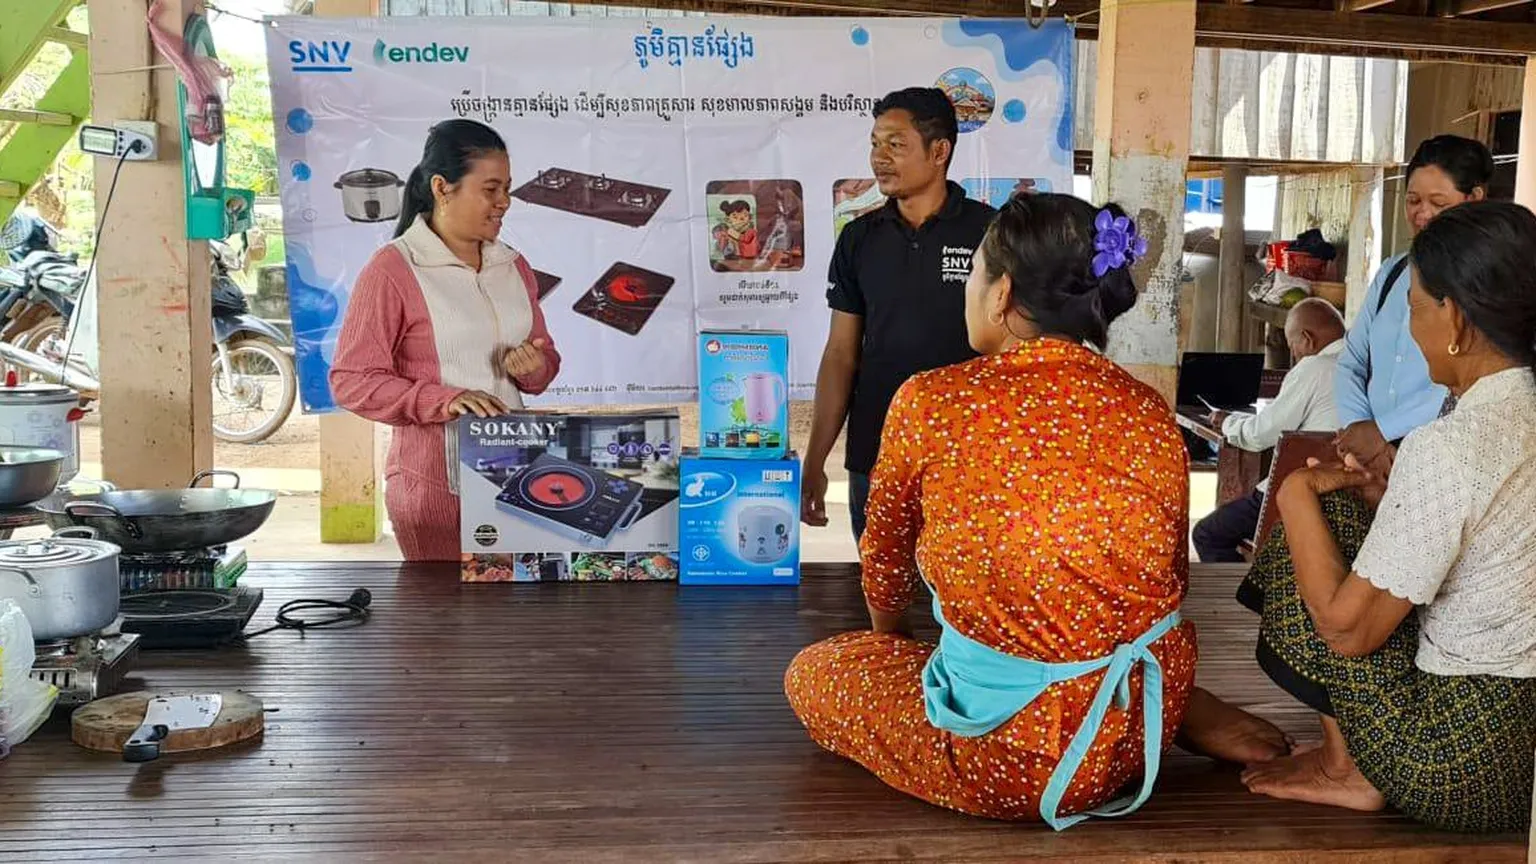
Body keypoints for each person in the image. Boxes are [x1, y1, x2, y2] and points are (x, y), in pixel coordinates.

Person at [784, 194, 1202, 826]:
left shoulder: (933, 399)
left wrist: (898, 651)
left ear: (1002, 293)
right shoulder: (1149, 411)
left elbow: (886, 566)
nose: (967, 291)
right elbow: (1171, 580)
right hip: (1137, 737)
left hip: (1015, 759)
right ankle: (1188, 709)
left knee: (814, 673)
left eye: (974, 273)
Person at [1206, 200, 1536, 832]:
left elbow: (1345, 631)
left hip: (1456, 765)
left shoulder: (1455, 442)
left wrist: (1298, 493)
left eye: (1414, 309)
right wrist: (1395, 500)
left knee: (1315, 531)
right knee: (1359, 527)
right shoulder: (1511, 411)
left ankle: (1346, 768)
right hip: (1530, 764)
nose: (1408, 332)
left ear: (1457, 320)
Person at [330, 119, 561, 561]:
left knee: (515, 623)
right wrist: (445, 399)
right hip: (435, 488)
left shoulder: (513, 265)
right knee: (442, 626)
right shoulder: (393, 270)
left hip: (515, 478)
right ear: (442, 187)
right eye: (490, 190)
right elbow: (351, 380)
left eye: (507, 189)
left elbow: (544, 360)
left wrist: (536, 368)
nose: (504, 203)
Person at [800, 87, 995, 541]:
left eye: (896, 144)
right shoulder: (859, 238)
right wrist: (815, 462)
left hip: (968, 461)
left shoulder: (991, 232)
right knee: (875, 598)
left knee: (961, 601)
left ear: (940, 151)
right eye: (874, 143)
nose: (879, 158)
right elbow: (840, 355)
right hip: (877, 455)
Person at [1334, 135, 1493, 475]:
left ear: (1475, 198)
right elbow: (1352, 361)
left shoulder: (1487, 281)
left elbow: (1475, 381)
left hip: (1440, 456)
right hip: (1367, 455)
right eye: (1413, 200)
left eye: (1439, 202)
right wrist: (1360, 428)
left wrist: (1383, 431)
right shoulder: (1393, 272)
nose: (1423, 214)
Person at [1192, 298, 1346, 563]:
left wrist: (1227, 422)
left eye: (1293, 346)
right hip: (1350, 491)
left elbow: (1260, 435)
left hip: (1297, 493)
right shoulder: (1366, 363)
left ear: (1307, 339)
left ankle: (1240, 599)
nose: (1295, 355)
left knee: (1208, 534)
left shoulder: (1314, 368)